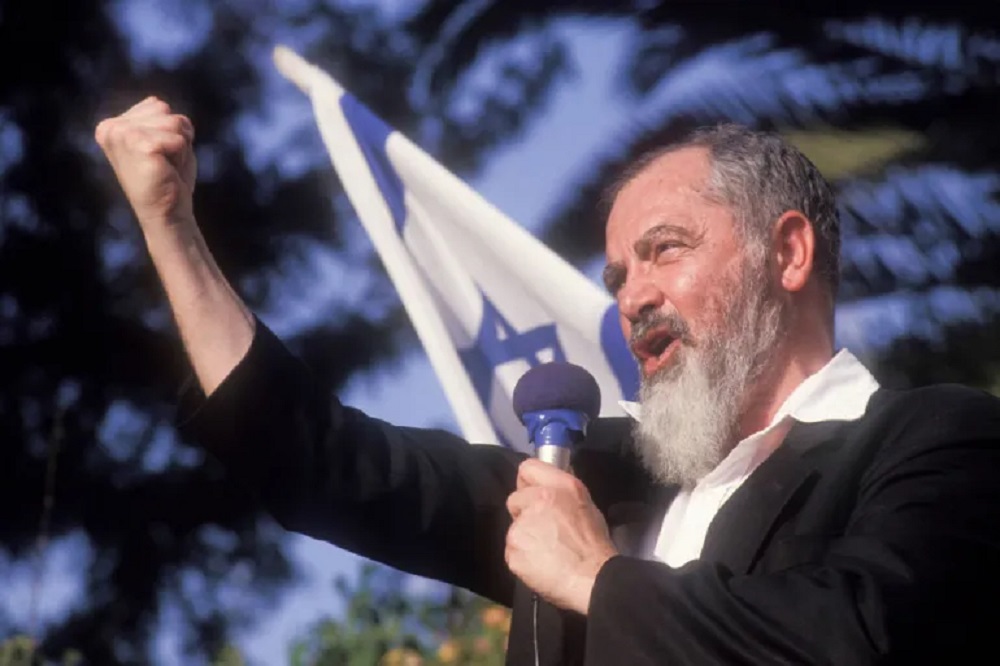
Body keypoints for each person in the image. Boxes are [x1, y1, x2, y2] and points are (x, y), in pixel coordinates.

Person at [95, 96, 1000, 665]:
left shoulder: (937, 439)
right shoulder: (597, 482)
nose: (632, 299)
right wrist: (172, 229)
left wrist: (599, 580)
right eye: (617, 277)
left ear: (789, 253)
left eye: (665, 251)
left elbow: (861, 638)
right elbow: (326, 462)